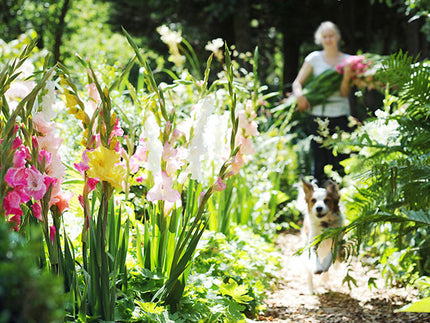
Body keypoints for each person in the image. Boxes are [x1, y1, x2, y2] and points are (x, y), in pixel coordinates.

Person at [292, 21, 354, 185]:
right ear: (320, 39)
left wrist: (347, 77)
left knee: (340, 159)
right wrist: (299, 96)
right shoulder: (314, 58)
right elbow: (297, 83)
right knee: (319, 162)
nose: (328, 39)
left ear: (337, 37)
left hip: (340, 113)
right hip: (318, 115)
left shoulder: (348, 61)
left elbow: (344, 93)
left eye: (331, 35)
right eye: (325, 36)